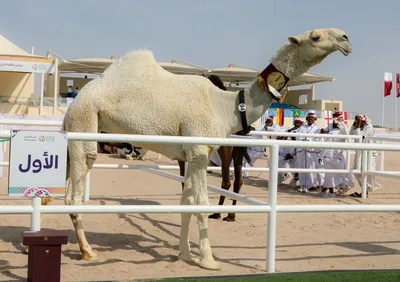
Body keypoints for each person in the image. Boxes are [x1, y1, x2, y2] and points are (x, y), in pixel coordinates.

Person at [318, 111, 354, 197]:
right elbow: (325, 134)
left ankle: (341, 187)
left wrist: (321, 156)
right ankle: (328, 190)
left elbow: (345, 135)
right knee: (332, 174)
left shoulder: (344, 128)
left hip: (340, 153)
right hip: (333, 154)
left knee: (340, 173)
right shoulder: (331, 127)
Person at [348, 114, 380, 197]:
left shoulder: (369, 128)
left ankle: (365, 192)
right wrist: (354, 125)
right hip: (359, 153)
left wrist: (358, 125)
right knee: (357, 171)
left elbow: (360, 137)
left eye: (359, 121)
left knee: (368, 172)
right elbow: (351, 134)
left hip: (368, 154)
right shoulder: (357, 126)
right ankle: (364, 190)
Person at [295, 111, 322, 193]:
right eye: (309, 118)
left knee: (310, 169)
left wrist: (308, 140)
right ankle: (302, 185)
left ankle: (311, 185)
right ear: (306, 119)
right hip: (302, 150)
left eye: (312, 118)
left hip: (311, 151)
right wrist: (303, 139)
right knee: (301, 168)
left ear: (315, 119)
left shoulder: (317, 128)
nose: (310, 119)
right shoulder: (302, 127)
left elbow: (318, 139)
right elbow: (297, 135)